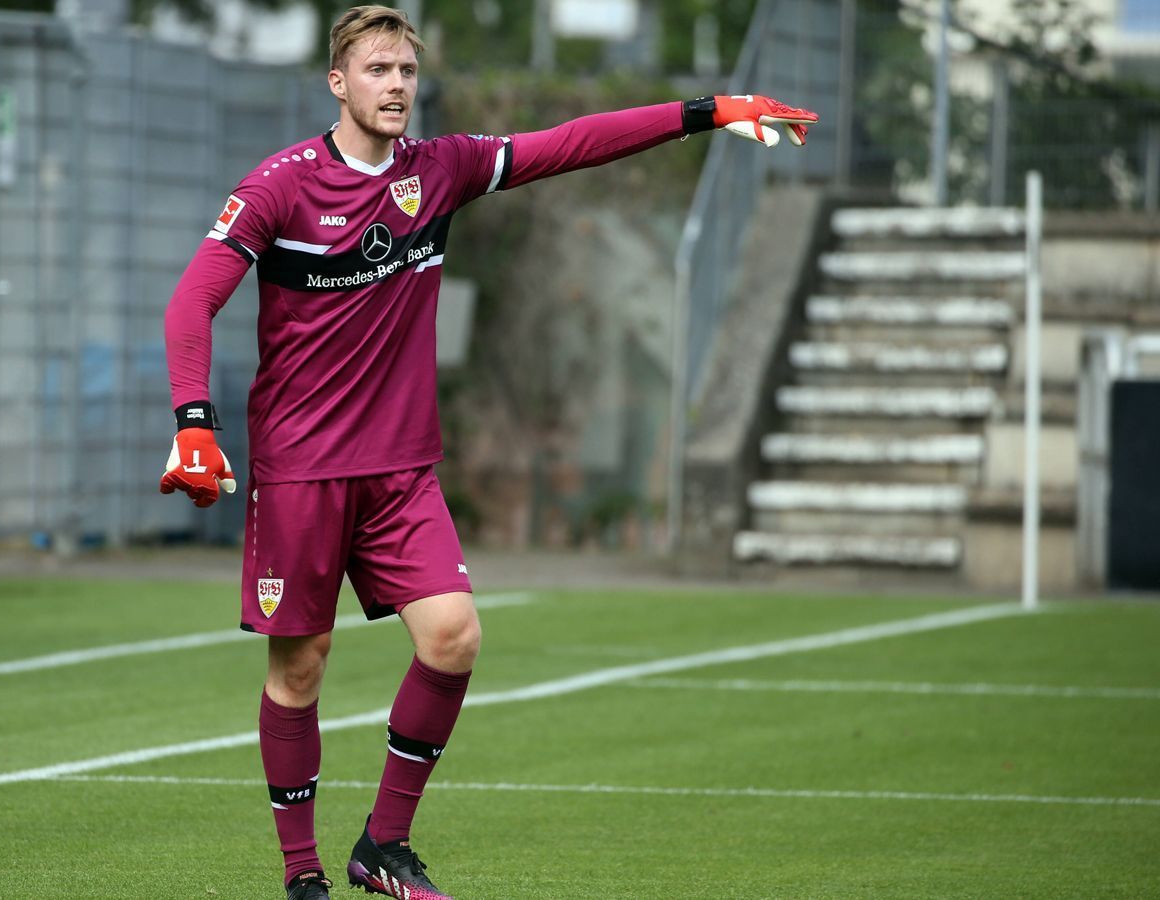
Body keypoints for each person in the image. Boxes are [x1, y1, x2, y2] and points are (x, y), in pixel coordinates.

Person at [160, 6, 816, 898]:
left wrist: (703, 110)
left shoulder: (442, 170)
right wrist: (194, 423)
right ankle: (302, 873)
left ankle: (381, 846)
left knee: (454, 638)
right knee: (300, 666)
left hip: (399, 469)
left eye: (406, 70)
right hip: (302, 466)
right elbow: (191, 301)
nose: (396, 85)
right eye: (378, 70)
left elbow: (571, 142)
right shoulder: (280, 186)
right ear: (338, 83)